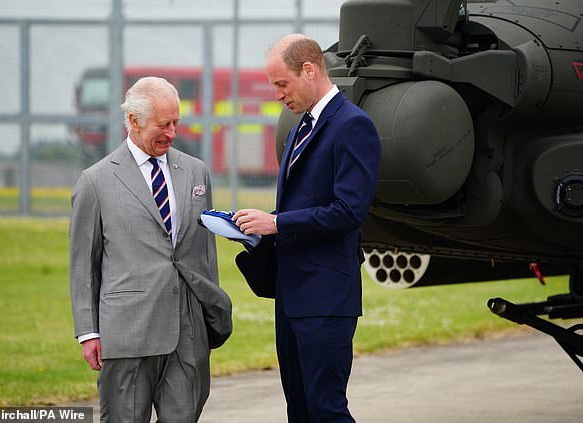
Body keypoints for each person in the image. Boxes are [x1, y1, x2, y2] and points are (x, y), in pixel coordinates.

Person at [232, 34, 381, 422]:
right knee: (299, 410)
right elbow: (307, 205)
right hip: (293, 296)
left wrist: (277, 223)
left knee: (326, 410)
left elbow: (349, 211)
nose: (278, 95)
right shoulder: (303, 126)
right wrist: (258, 226)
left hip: (326, 300)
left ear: (310, 70)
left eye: (282, 84)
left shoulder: (352, 126)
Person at [69, 77, 232, 423]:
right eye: (163, 124)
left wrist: (208, 313)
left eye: (176, 122)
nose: (172, 133)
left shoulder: (195, 171)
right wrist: (89, 332)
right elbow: (84, 265)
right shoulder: (95, 181)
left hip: (187, 331)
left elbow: (204, 251)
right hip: (128, 332)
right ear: (133, 121)